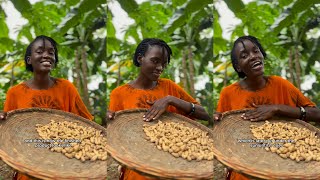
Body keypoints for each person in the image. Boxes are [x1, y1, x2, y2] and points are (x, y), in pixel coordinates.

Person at [214, 35, 320, 180]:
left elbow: (316, 114)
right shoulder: (228, 93)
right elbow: (222, 129)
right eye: (244, 55)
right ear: (238, 67)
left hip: (286, 166)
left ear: (262, 54)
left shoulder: (281, 84)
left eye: (256, 51)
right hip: (245, 169)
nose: (253, 57)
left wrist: (277, 108)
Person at [107, 38, 211, 180]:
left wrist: (170, 99)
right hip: (138, 169)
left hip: (173, 165)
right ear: (140, 59)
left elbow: (205, 114)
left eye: (164, 63)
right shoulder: (119, 94)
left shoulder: (169, 87)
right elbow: (115, 135)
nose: (160, 68)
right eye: (155, 61)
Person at [0, 35, 93, 180]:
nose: (46, 55)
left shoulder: (66, 88)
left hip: (62, 165)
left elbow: (85, 126)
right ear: (29, 59)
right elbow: (8, 132)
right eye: (40, 51)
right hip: (28, 166)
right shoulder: (15, 93)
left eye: (51, 52)